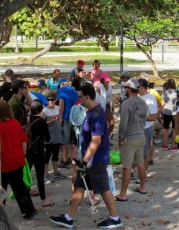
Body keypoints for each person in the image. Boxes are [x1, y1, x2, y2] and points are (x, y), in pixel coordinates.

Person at [50, 84, 122, 229]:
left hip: (96, 161)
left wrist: (84, 160)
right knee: (79, 187)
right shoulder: (90, 111)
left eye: (80, 96)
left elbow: (96, 140)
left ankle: (115, 218)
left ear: (87, 97)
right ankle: (68, 218)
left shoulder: (96, 114)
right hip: (87, 160)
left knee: (104, 189)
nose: (78, 99)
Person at [0, 100, 37, 219]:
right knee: (20, 186)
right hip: (18, 158)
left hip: (5, 162)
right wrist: (22, 155)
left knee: (0, 188)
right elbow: (23, 142)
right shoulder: (16, 123)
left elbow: (0, 148)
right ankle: (29, 210)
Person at [115, 79, 148, 201]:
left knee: (126, 167)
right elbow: (144, 118)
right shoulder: (143, 102)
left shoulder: (126, 103)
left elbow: (123, 124)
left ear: (129, 89)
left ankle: (123, 194)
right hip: (141, 135)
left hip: (129, 138)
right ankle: (142, 187)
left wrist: (120, 138)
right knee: (140, 163)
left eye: (125, 88)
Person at [26, 99, 54, 207]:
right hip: (38, 150)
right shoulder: (41, 121)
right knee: (39, 177)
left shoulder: (27, 119)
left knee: (27, 175)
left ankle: (27, 200)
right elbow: (47, 137)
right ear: (39, 110)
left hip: (27, 150)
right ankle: (43, 200)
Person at [43, 92, 66, 184]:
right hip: (48, 136)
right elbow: (42, 123)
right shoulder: (45, 111)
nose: (50, 101)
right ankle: (46, 174)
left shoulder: (58, 109)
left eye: (52, 99)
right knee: (47, 155)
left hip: (57, 135)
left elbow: (61, 119)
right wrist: (51, 121)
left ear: (55, 100)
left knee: (55, 154)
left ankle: (56, 172)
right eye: (48, 100)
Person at [58, 80, 79, 168]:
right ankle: (73, 157)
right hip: (75, 117)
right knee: (73, 138)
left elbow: (61, 105)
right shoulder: (74, 91)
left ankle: (66, 159)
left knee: (65, 140)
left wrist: (60, 117)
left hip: (66, 117)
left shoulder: (61, 91)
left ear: (61, 84)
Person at [161, 79, 178, 151]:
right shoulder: (176, 92)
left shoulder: (164, 93)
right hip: (174, 112)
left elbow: (161, 102)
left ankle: (165, 145)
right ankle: (173, 145)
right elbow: (178, 101)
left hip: (166, 111)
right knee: (174, 129)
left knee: (165, 129)